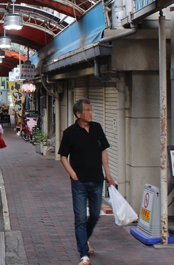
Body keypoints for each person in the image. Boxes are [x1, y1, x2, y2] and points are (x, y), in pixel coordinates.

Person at [58, 98, 115, 265]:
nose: (91, 113)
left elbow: (103, 151)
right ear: (78, 114)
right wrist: (73, 174)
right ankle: (84, 253)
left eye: (91, 110)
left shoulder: (97, 128)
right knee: (81, 217)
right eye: (88, 110)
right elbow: (63, 157)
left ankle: (85, 239)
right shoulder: (69, 133)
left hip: (97, 180)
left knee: (95, 215)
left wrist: (108, 175)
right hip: (79, 183)